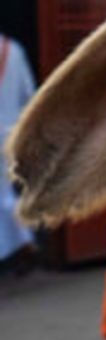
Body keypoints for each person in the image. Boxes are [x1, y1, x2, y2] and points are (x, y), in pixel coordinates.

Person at [1, 33, 38, 273]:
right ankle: (22, 240)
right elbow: (29, 95)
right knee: (5, 193)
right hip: (9, 133)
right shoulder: (13, 51)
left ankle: (22, 240)